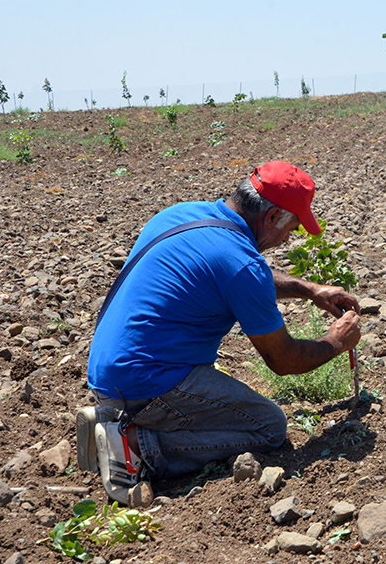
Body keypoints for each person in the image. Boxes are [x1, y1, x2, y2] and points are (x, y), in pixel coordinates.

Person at [77, 160, 362, 505]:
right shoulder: (242, 265)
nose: (289, 237)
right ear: (271, 216)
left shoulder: (180, 215)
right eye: (293, 226)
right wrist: (335, 341)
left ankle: (115, 416)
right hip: (146, 380)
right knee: (269, 427)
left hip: (108, 372)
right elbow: (283, 359)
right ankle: (134, 443)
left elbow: (232, 272)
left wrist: (308, 288)